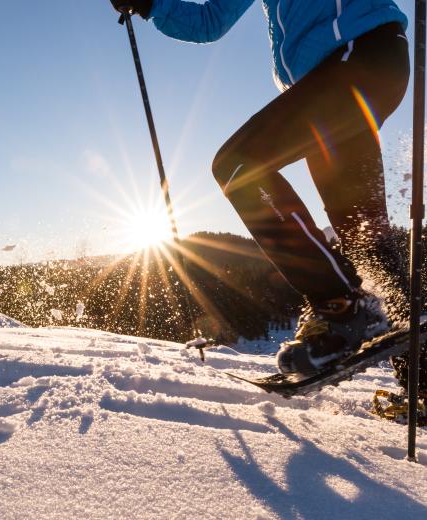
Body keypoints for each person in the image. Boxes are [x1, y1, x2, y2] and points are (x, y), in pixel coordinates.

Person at [109, 0, 411, 375]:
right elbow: (209, 22)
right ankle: (422, 382)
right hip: (338, 77)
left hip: (359, 57)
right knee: (365, 238)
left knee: (239, 164)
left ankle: (342, 306)